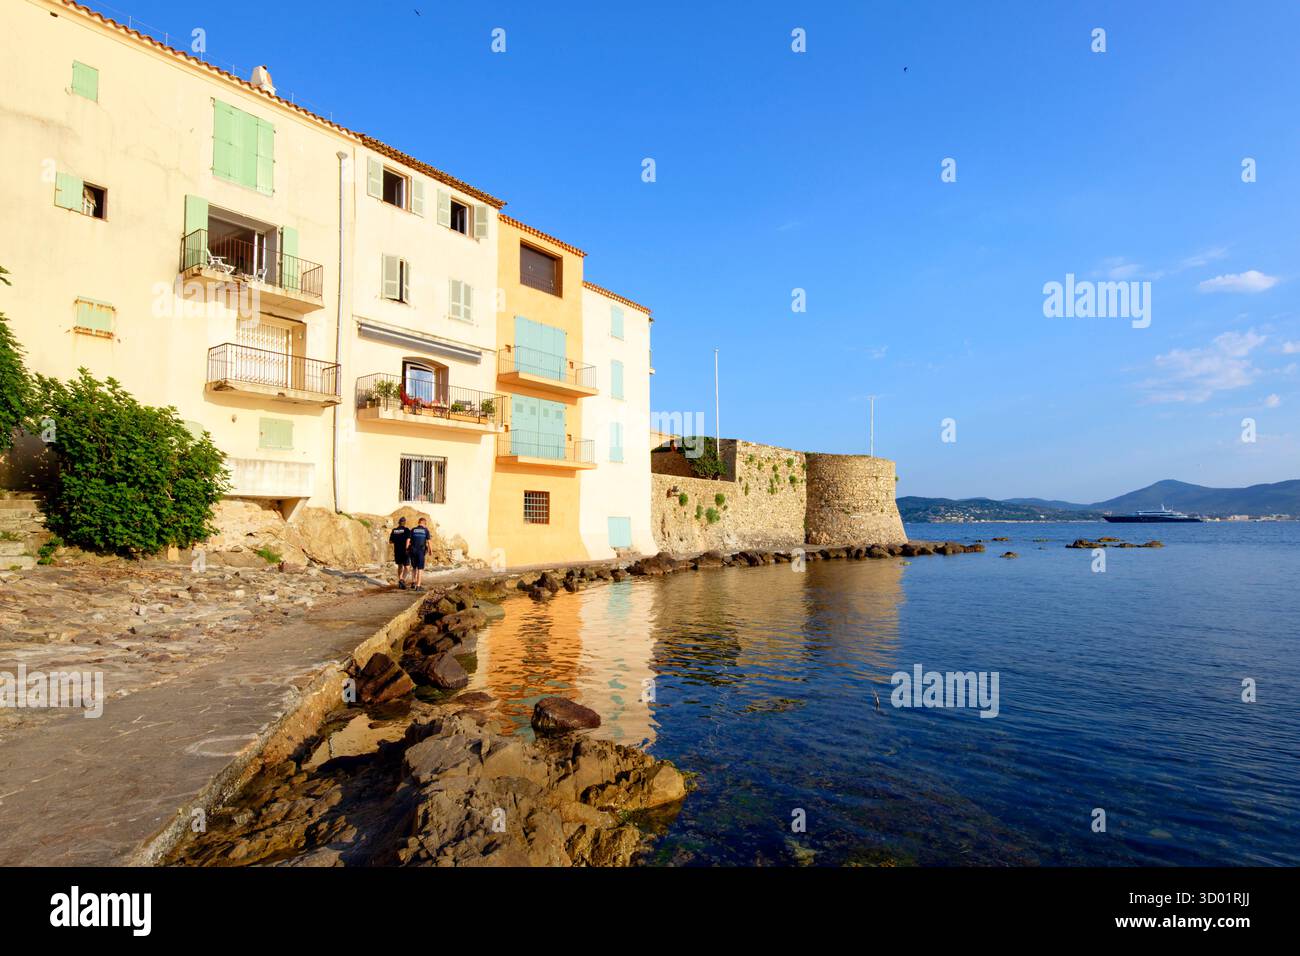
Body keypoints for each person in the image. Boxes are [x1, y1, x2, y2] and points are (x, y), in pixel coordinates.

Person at [408, 517, 432, 590]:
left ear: (418, 523)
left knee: (414, 567)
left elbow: (408, 540)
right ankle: (418, 586)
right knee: (420, 569)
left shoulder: (413, 530)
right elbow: (429, 541)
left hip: (413, 551)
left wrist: (407, 549)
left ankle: (413, 582)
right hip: (420, 551)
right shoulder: (425, 530)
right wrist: (431, 550)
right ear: (424, 524)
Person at [389, 517, 411, 588]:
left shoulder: (394, 530)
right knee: (407, 567)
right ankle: (402, 580)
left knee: (400, 566)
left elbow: (390, 541)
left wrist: (397, 540)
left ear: (399, 522)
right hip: (405, 551)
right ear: (404, 523)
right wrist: (407, 549)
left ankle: (400, 579)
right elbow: (408, 540)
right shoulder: (407, 530)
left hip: (397, 551)